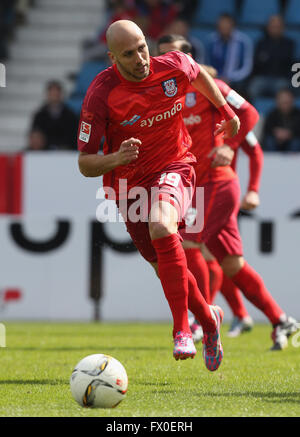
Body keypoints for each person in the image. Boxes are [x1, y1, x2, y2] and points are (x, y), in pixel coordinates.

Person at [77, 20, 240, 371]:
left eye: (142, 48)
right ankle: (209, 322)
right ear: (112, 58)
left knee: (162, 227)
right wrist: (115, 158)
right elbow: (85, 164)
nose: (140, 58)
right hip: (128, 183)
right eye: (128, 54)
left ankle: (182, 330)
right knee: (163, 267)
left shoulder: (173, 63)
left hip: (176, 164)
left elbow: (198, 74)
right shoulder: (100, 93)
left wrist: (226, 111)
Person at [157, 33, 299, 350]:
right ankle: (281, 320)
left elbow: (249, 114)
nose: (169, 62)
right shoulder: (166, 98)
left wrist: (231, 148)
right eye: (162, 56)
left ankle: (202, 317)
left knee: (194, 243)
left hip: (219, 183)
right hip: (195, 187)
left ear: (189, 58)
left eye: (175, 55)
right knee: (232, 264)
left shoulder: (211, 88)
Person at [249, 15, 295, 100]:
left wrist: (267, 57)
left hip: (281, 78)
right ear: (268, 27)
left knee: (283, 91)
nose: (275, 29)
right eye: (273, 26)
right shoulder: (261, 43)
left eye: (278, 26)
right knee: (253, 87)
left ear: (283, 28)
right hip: (262, 77)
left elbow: (288, 62)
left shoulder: (289, 43)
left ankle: (276, 113)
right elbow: (257, 62)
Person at [205, 13, 253, 93]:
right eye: (221, 24)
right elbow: (205, 63)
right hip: (214, 79)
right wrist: (215, 77)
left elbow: (246, 68)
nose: (224, 26)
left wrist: (230, 78)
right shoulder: (211, 41)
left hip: (236, 81)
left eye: (227, 23)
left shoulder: (243, 42)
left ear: (233, 25)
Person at [31, 80, 79, 150]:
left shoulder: (70, 115)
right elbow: (35, 134)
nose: (54, 96)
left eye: (56, 93)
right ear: (47, 95)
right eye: (52, 93)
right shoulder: (39, 115)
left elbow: (75, 136)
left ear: (61, 94)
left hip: (67, 153)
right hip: (44, 153)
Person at [263, 88, 300, 152]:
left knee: (296, 143)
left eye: (287, 102)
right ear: (277, 102)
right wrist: (276, 133)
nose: (285, 105)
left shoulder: (298, 114)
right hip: (276, 140)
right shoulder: (272, 114)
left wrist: (289, 134)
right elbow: (266, 130)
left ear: (292, 101)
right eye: (283, 102)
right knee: (269, 141)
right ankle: (271, 161)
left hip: (292, 139)